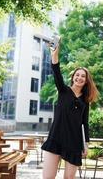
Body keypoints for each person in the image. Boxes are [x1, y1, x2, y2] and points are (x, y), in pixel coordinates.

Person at [41, 42, 98, 179]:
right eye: (77, 75)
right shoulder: (63, 90)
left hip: (74, 142)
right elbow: (56, 71)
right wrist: (55, 54)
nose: (79, 78)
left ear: (86, 81)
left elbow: (85, 123)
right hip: (56, 138)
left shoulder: (85, 101)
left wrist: (86, 144)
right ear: (73, 77)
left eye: (83, 76)